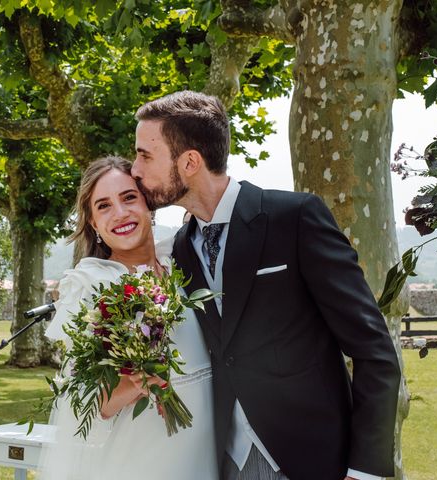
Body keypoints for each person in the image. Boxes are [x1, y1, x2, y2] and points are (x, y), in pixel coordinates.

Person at [131, 91, 402, 480]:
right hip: (224, 461)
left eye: (145, 155)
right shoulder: (180, 250)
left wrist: (365, 471)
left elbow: (375, 352)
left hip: (314, 459)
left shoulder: (295, 218)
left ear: (189, 162)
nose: (135, 169)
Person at [38, 156, 218, 480]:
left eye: (129, 197)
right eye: (104, 206)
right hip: (140, 458)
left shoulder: (184, 262)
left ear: (148, 202)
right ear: (93, 223)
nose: (120, 214)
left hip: (208, 453)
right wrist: (136, 384)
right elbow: (84, 407)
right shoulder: (90, 287)